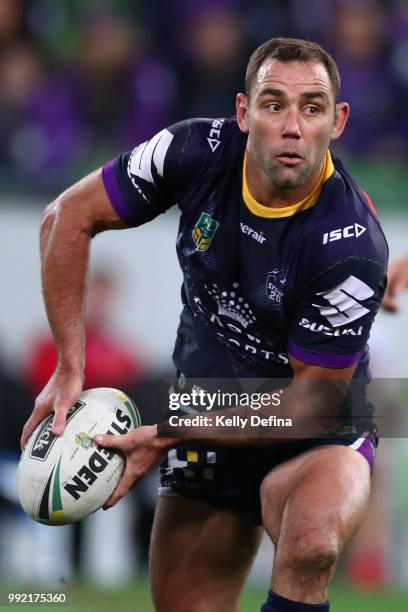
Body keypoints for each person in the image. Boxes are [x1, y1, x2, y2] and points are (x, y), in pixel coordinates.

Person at [21, 38, 388, 612]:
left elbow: (311, 404)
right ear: (243, 113)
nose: (292, 126)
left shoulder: (352, 245)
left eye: (312, 108)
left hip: (316, 430)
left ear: (337, 121)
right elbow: (65, 218)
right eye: (274, 104)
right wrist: (71, 367)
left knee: (311, 544)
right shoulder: (192, 151)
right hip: (203, 401)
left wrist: (174, 428)